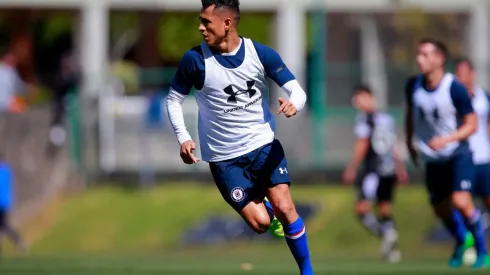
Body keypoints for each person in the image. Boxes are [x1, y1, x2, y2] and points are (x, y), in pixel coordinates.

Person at [166, 1, 313, 274]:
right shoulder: (194, 60)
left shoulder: (260, 54)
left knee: (285, 206)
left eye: (206, 22)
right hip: (224, 159)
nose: (200, 27)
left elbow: (298, 91)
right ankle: (267, 207)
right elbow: (174, 100)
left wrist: (295, 104)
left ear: (227, 24)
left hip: (263, 146)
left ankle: (307, 272)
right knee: (260, 224)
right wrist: (183, 137)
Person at [404, 38, 487, 268]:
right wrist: (410, 144)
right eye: (418, 54)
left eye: (425, 55)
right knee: (440, 208)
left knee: (461, 201)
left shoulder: (454, 88)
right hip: (433, 158)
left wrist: (447, 139)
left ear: (439, 59)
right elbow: (410, 116)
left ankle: (482, 251)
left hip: (458, 153)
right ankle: (463, 239)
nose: (419, 59)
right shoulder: (413, 85)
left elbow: (472, 125)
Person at [343, 84, 407, 263]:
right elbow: (394, 146)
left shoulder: (365, 118)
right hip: (389, 170)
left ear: (369, 97)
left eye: (359, 96)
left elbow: (362, 144)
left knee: (362, 209)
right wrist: (400, 169)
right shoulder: (387, 118)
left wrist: (352, 167)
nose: (356, 101)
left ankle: (386, 234)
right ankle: (392, 249)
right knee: (385, 208)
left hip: (374, 170)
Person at [0, 154, 27, 258]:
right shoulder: (7, 170)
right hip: (6, 202)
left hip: (1, 203)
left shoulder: (3, 172)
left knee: (4, 226)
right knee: (4, 226)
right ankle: (19, 241)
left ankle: (19, 241)